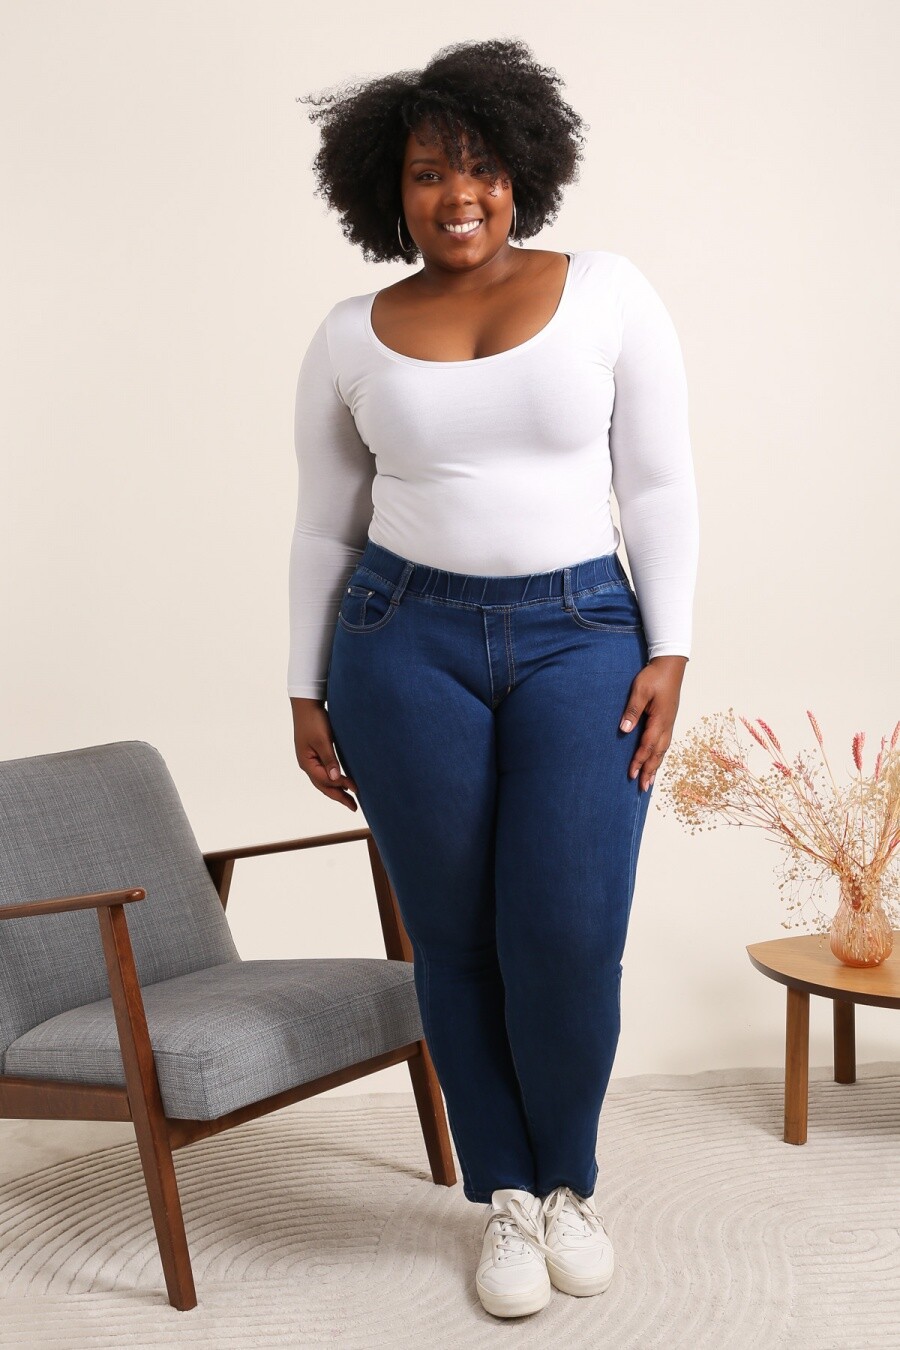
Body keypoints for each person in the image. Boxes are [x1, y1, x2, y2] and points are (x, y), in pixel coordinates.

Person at [288, 37, 699, 1320]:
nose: (457, 194)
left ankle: (569, 1181)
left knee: (568, 930)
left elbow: (658, 485)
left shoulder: (610, 292)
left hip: (585, 632)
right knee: (456, 938)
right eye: (427, 174)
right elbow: (323, 526)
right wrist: (303, 686)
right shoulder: (349, 333)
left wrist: (671, 646)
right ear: (390, 191)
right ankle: (508, 1197)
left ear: (521, 170)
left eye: (478, 167)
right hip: (400, 641)